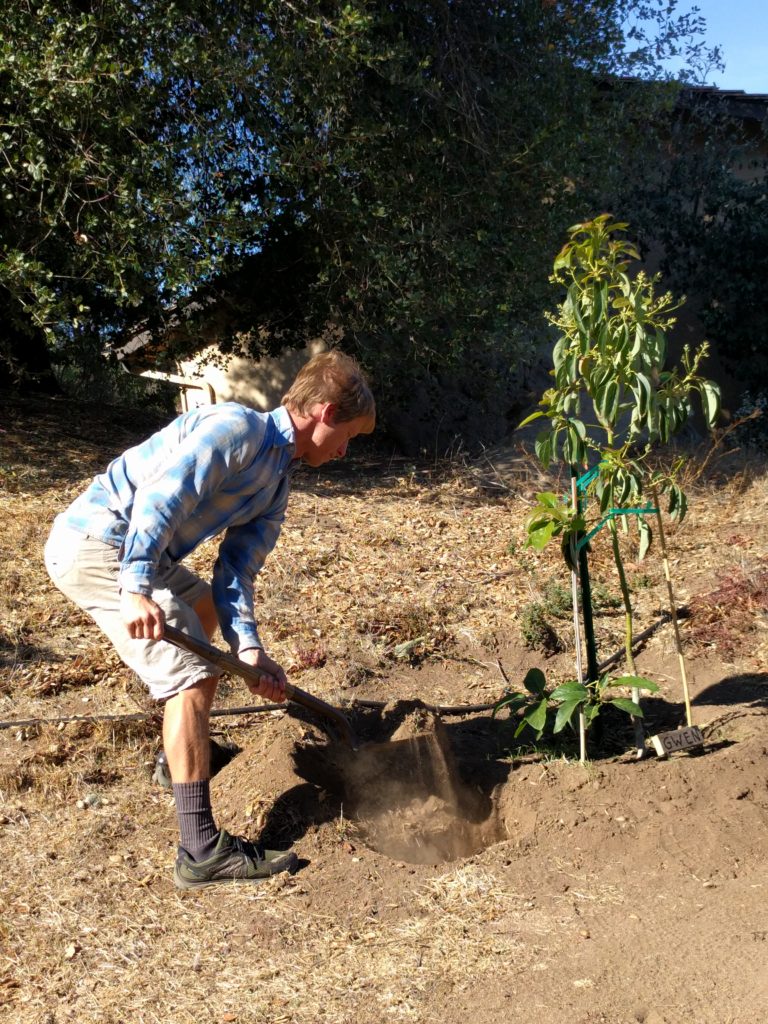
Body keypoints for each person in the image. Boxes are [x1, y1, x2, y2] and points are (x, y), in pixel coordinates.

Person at [44, 350, 375, 889]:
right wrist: (134, 586)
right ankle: (199, 850)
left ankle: (173, 755)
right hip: (97, 543)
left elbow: (235, 574)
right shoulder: (236, 429)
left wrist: (249, 650)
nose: (343, 452)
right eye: (350, 438)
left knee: (201, 611)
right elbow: (158, 499)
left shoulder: (277, 483)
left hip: (143, 557)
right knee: (194, 675)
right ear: (328, 413)